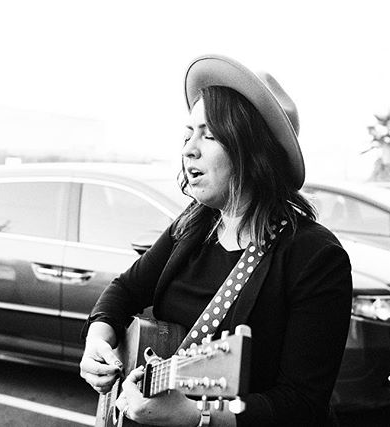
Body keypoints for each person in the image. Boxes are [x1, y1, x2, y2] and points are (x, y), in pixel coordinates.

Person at [79, 54, 352, 427]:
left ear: (253, 151)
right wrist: (98, 337)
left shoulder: (315, 256)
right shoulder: (191, 226)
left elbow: (303, 404)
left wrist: (197, 417)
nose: (189, 148)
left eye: (208, 135)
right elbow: (124, 289)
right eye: (188, 133)